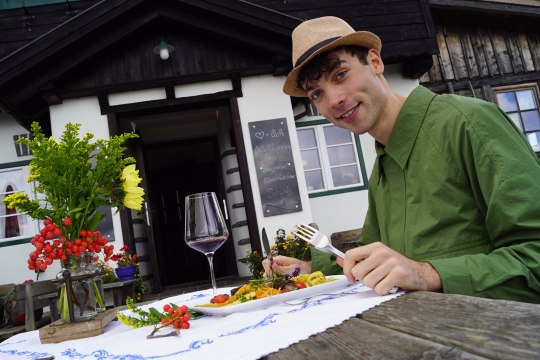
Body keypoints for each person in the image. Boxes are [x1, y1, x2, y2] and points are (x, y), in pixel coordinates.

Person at [263, 16, 540, 303]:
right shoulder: (382, 170)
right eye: (316, 93)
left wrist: (428, 274)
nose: (333, 100)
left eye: (340, 75)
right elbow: (370, 261)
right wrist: (308, 270)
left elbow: (535, 256)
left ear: (375, 62)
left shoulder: (467, 122)